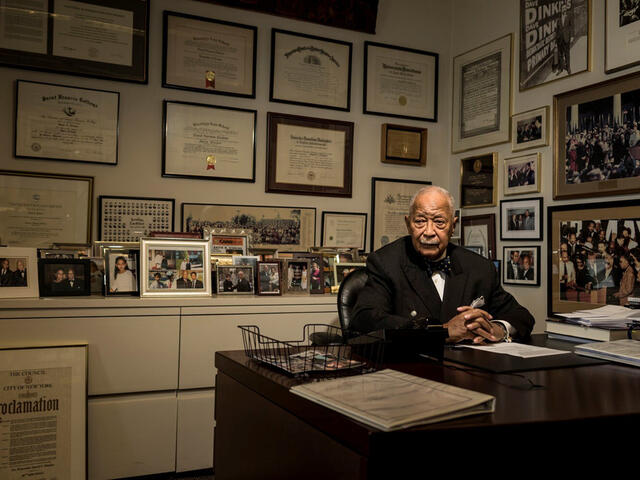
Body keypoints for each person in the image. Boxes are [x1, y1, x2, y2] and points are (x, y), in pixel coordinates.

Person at [352, 186, 534, 343]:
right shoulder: (386, 262)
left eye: (439, 222)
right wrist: (443, 331)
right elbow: (365, 320)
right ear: (408, 224)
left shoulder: (479, 267)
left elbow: (521, 316)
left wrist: (497, 330)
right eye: (420, 221)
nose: (429, 232)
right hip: (411, 368)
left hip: (473, 369)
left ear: (453, 225)